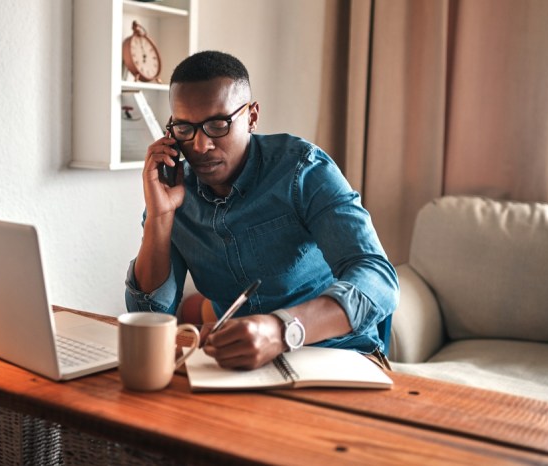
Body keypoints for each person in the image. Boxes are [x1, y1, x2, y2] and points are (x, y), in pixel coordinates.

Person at [124, 51, 398, 371]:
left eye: (217, 124)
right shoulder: (173, 193)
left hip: (337, 352)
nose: (199, 146)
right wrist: (159, 218)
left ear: (252, 117)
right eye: (185, 128)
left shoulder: (302, 170)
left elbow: (378, 280)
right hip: (242, 364)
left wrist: (283, 330)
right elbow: (150, 316)